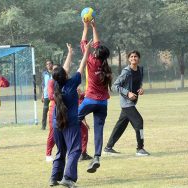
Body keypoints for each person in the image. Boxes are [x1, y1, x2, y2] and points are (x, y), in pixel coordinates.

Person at [49, 41, 90, 187]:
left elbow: (63, 70)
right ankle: (68, 177)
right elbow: (82, 65)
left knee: (61, 150)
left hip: (56, 122)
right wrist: (86, 50)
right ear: (65, 75)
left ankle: (54, 178)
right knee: (75, 149)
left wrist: (70, 53)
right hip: (70, 122)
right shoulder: (72, 83)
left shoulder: (55, 84)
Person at [78, 18, 113, 173]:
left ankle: (73, 147)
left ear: (96, 54)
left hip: (90, 100)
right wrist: (95, 27)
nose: (93, 49)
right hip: (103, 103)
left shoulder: (91, 61)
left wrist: (86, 27)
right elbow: (97, 45)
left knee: (73, 117)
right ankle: (97, 156)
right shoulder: (105, 66)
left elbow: (83, 42)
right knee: (98, 129)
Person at [104, 51, 150, 156]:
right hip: (126, 103)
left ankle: (108, 147)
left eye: (136, 56)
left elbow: (138, 83)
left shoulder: (140, 70)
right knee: (139, 121)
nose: (134, 58)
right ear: (129, 59)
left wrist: (141, 89)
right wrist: (128, 93)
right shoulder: (126, 71)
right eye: (132, 57)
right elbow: (115, 86)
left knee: (120, 126)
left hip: (132, 102)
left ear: (139, 58)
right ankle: (140, 148)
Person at [45, 72, 92, 163]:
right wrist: (63, 95)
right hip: (56, 112)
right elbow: (51, 96)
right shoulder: (52, 82)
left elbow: (80, 98)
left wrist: (77, 93)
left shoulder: (68, 83)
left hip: (70, 114)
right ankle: (48, 154)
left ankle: (83, 153)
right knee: (54, 134)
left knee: (83, 130)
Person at [41, 60, 53, 130]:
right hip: (46, 95)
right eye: (47, 64)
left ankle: (56, 125)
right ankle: (43, 126)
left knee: (55, 110)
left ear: (52, 64)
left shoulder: (55, 72)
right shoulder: (44, 74)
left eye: (49, 64)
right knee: (45, 110)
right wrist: (42, 95)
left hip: (54, 95)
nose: (48, 65)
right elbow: (43, 85)